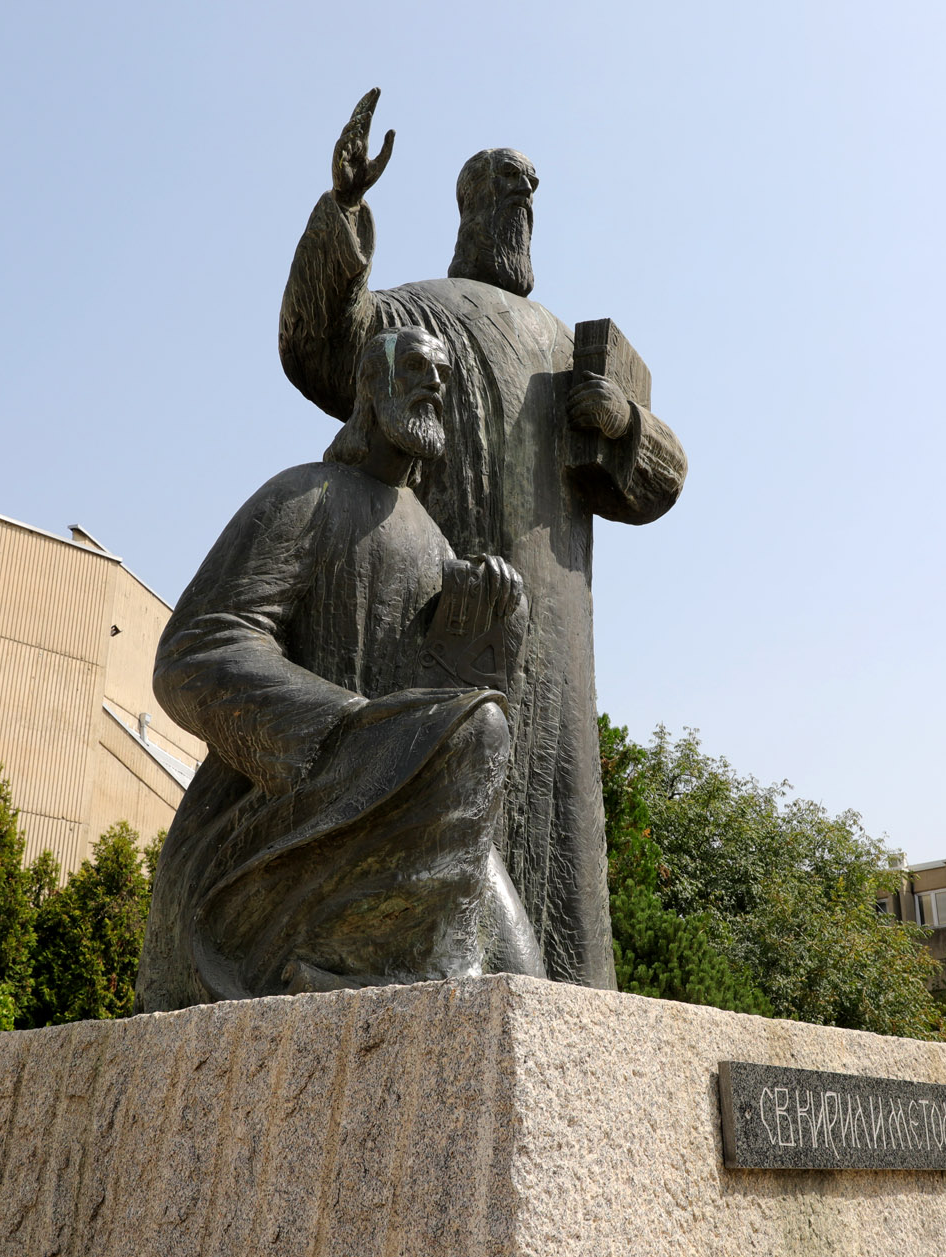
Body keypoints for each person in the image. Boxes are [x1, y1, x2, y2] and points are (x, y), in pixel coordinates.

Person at [278, 89, 689, 989]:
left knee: (561, 832)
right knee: (444, 802)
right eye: (505, 192)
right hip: (446, 606)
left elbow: (661, 482)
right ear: (468, 209)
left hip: (556, 632)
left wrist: (623, 424)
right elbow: (320, 347)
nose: (520, 207)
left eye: (528, 195)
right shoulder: (421, 315)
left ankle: (564, 1014)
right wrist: (343, 212)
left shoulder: (569, 346)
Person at [136, 326, 544, 1007]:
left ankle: (397, 982)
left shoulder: (439, 547)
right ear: (371, 387)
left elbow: (430, 710)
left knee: (519, 974)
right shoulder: (305, 495)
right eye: (415, 366)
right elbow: (197, 649)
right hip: (281, 803)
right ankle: (401, 987)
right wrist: (351, 728)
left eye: (442, 375)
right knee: (482, 729)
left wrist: (476, 649)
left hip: (395, 799)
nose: (434, 383)